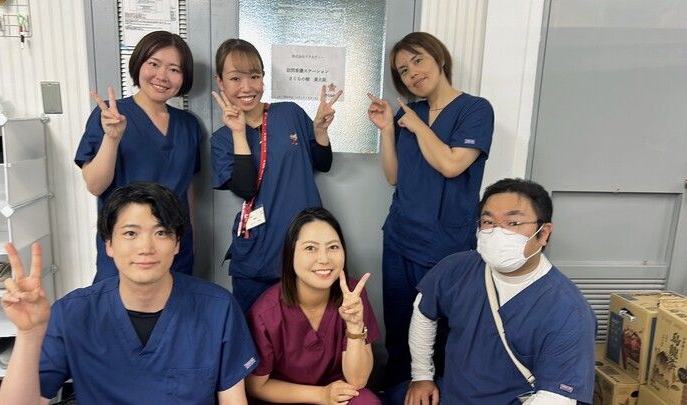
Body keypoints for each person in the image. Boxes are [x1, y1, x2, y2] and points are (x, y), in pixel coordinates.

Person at [0, 182, 258, 404]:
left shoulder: (218, 309)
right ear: (109, 244)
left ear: (177, 243)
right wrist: (29, 334)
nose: (146, 247)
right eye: (131, 233)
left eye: (161, 233)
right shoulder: (72, 313)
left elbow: (233, 400)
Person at [366, 31, 494, 388]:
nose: (412, 73)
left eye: (417, 60)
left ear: (439, 58)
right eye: (403, 71)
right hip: (400, 237)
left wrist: (417, 126)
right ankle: (397, 389)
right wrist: (387, 130)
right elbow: (393, 176)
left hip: (445, 244)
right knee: (398, 327)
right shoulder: (410, 113)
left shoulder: (475, 109)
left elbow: (452, 164)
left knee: (440, 329)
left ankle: (437, 390)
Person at [405, 178, 595, 405]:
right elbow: (423, 311)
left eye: (513, 223)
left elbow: (556, 397)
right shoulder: (457, 268)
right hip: (450, 396)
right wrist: (421, 375)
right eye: (488, 222)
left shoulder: (567, 310)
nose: (497, 232)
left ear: (543, 233)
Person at [211, 39, 342, 311]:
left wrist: (320, 131)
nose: (247, 87)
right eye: (235, 78)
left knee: (306, 326)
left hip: (306, 243)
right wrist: (238, 132)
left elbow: (323, 163)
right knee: (253, 327)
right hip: (259, 251)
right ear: (220, 82)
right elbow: (246, 189)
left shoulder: (289, 113)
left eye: (254, 76)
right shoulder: (222, 140)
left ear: (263, 78)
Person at [75, 30, 201, 283]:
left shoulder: (189, 125)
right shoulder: (111, 115)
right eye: (153, 64)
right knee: (120, 305)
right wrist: (112, 137)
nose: (162, 76)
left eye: (174, 69)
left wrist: (190, 238)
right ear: (138, 64)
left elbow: (187, 190)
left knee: (176, 304)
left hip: (174, 245)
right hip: (127, 245)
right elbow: (95, 185)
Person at [245, 207, 381, 405]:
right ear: (290, 254)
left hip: (336, 393)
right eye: (310, 248)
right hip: (285, 398)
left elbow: (357, 381)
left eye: (333, 247)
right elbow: (256, 386)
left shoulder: (352, 296)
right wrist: (320, 395)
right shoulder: (265, 314)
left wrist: (354, 326)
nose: (324, 259)